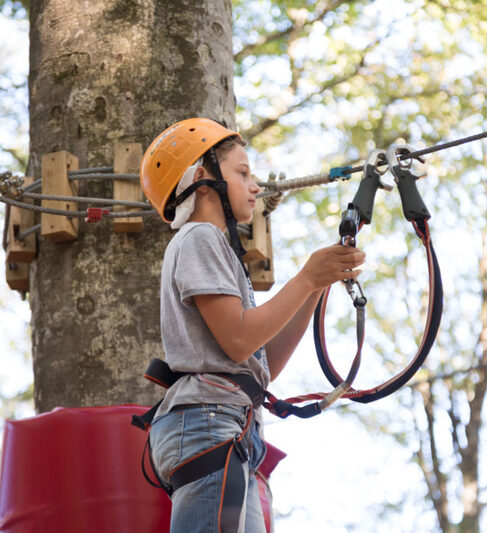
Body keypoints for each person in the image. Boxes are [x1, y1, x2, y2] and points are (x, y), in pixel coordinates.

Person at [140, 118, 365, 533]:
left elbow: (262, 363)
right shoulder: (199, 238)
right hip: (209, 422)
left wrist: (316, 284)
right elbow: (240, 339)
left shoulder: (215, 248)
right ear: (202, 178)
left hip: (227, 424)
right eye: (242, 173)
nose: (255, 185)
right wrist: (306, 278)